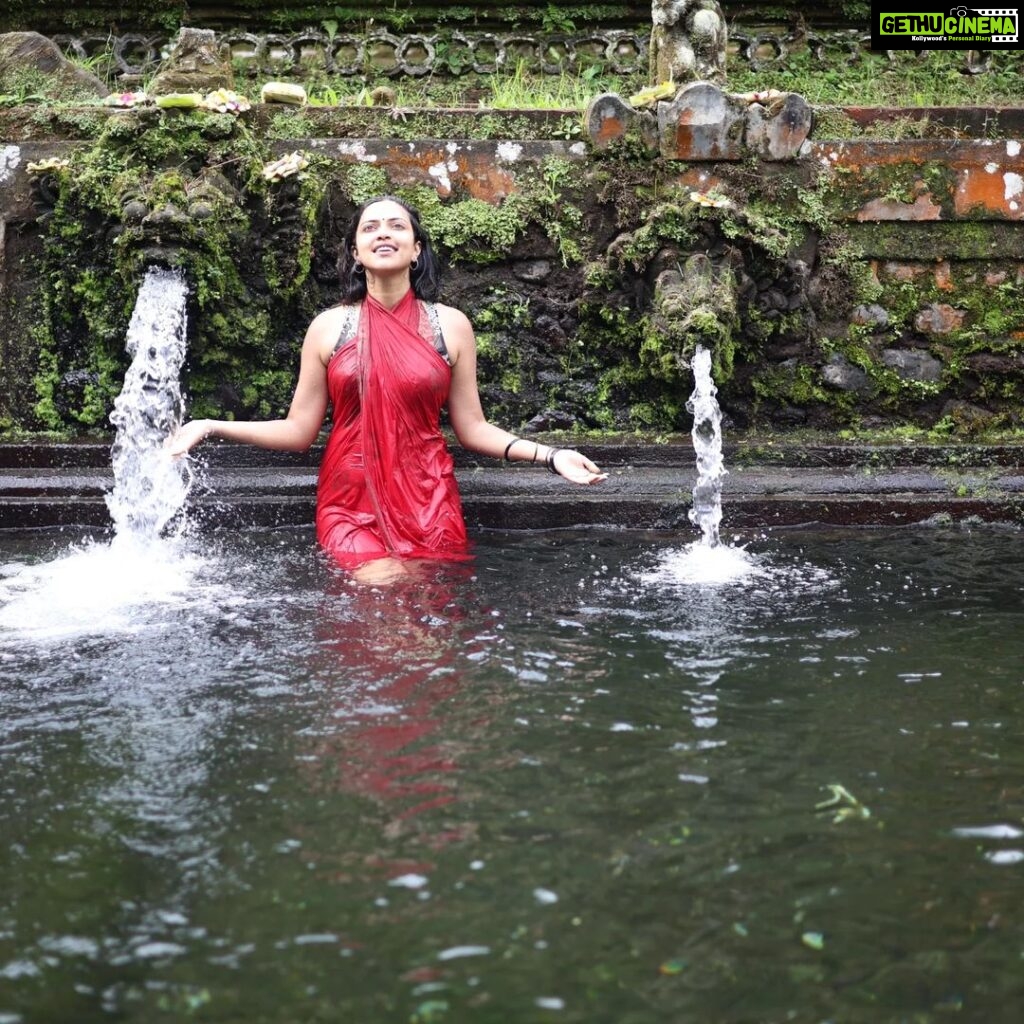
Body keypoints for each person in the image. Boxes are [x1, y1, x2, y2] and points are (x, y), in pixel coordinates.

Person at [169, 195, 606, 582]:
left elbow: (472, 428)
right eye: (370, 227)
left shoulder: (451, 326)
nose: (384, 233)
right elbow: (299, 430)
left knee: (427, 620)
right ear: (356, 252)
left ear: (416, 249)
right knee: (387, 586)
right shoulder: (328, 328)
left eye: (397, 226)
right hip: (351, 501)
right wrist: (210, 426)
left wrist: (551, 456)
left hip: (428, 498)